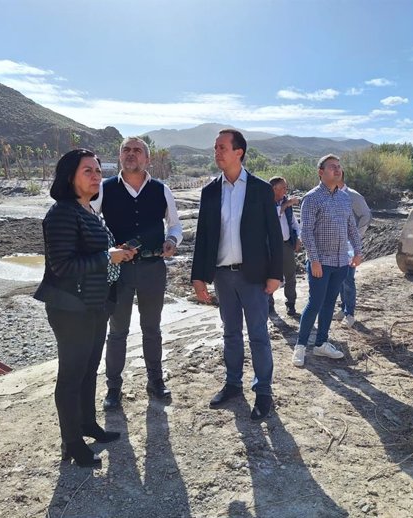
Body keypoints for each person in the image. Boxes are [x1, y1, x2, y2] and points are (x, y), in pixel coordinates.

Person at [34, 149, 136, 467]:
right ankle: (72, 444)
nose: (96, 176)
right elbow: (63, 266)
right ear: (70, 177)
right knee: (71, 377)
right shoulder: (61, 213)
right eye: (87, 171)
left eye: (97, 170)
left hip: (94, 304)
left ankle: (88, 424)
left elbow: (97, 252)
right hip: (70, 308)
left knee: (90, 370)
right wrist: (109, 257)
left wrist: (115, 251)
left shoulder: (90, 211)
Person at [191, 129, 283, 421]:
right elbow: (203, 237)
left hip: (253, 276)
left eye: (221, 147)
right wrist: (198, 277)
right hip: (222, 276)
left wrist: (275, 275)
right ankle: (233, 384)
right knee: (230, 334)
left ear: (238, 152)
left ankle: (264, 392)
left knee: (258, 336)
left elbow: (273, 235)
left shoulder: (259, 189)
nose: (216, 152)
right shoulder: (209, 191)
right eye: (215, 147)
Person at [91, 137, 183, 410]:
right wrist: (109, 250)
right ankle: (113, 389)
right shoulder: (104, 189)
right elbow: (91, 223)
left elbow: (175, 226)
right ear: (120, 156)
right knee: (117, 331)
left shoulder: (161, 189)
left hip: (153, 269)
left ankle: (155, 381)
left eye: (137, 151)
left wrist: (172, 242)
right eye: (126, 150)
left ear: (147, 159)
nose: (131, 154)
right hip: (117, 271)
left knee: (152, 329)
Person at [292, 154, 363, 368]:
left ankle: (321, 343)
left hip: (341, 262)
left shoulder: (344, 198)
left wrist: (358, 251)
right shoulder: (312, 198)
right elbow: (306, 233)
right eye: (332, 167)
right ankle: (301, 346)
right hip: (321, 262)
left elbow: (351, 227)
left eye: (339, 167)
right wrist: (314, 260)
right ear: (320, 172)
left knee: (330, 303)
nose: (337, 170)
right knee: (315, 303)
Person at [334, 172, 371, 327]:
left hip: (348, 247)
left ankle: (350, 313)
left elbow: (366, 216)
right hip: (335, 246)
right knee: (340, 279)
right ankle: (343, 308)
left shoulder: (353, 197)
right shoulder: (331, 195)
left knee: (348, 279)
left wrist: (355, 237)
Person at [268, 176, 301, 316]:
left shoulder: (285, 203)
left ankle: (291, 304)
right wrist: (286, 204)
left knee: (290, 275)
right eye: (283, 187)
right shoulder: (265, 202)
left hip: (286, 245)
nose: (286, 190)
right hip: (269, 246)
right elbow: (272, 217)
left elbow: (293, 222)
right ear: (274, 189)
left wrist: (298, 237)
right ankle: (269, 304)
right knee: (268, 275)